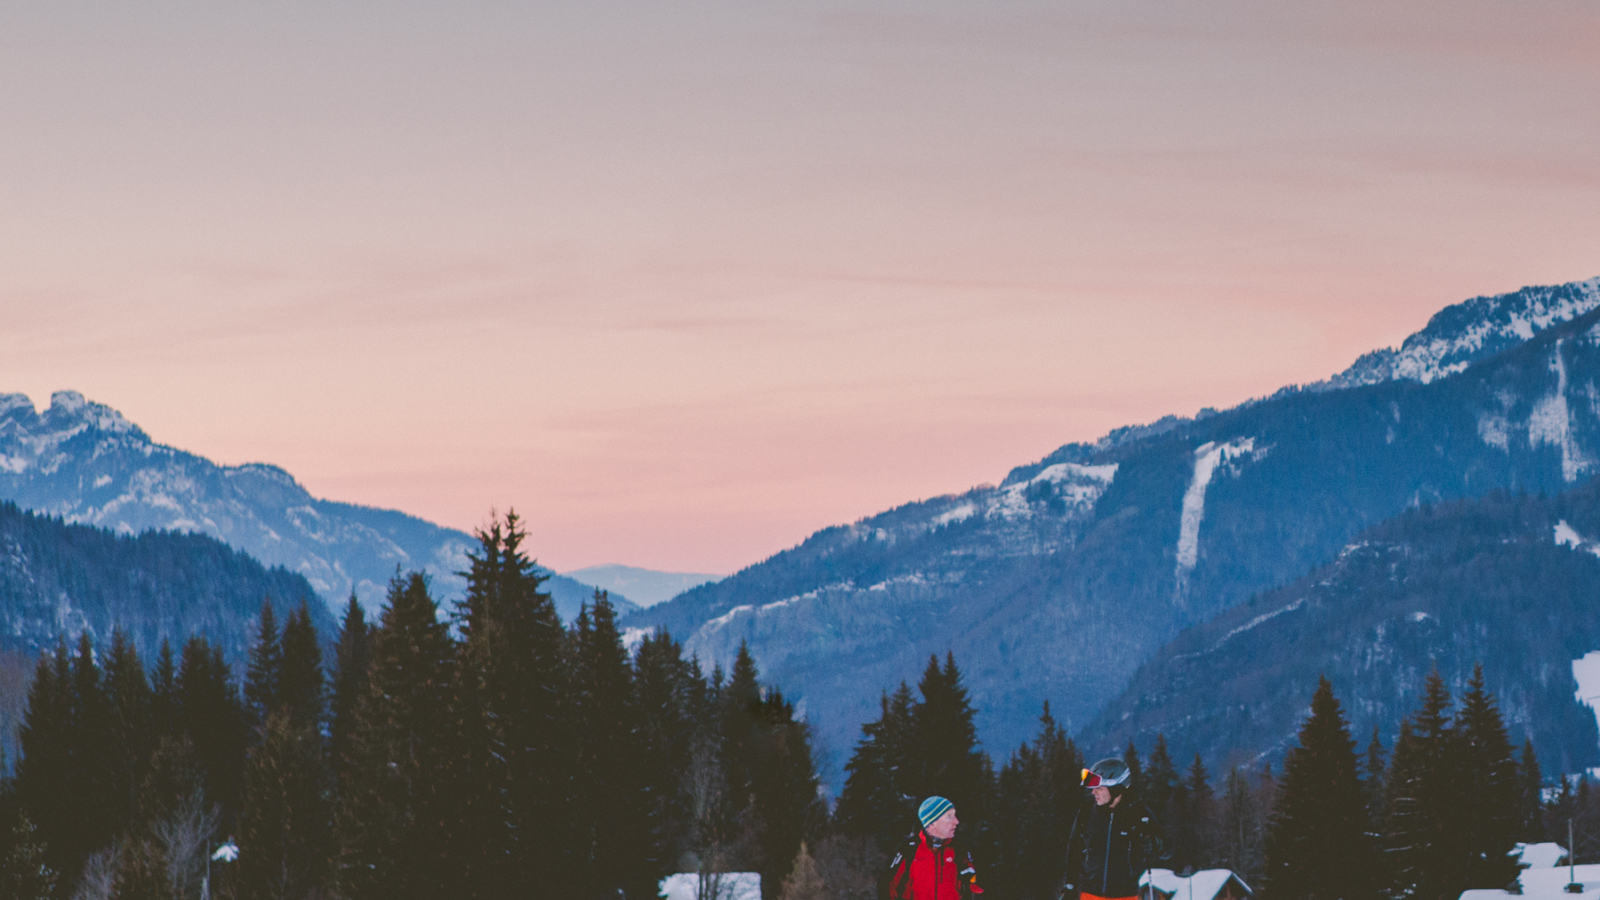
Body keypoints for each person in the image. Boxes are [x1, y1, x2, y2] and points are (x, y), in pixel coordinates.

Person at [1058, 758, 1165, 900]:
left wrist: (1154, 843)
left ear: (1116, 789)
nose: (1093, 792)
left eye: (1099, 788)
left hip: (1125, 896)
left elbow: (1167, 850)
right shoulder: (1087, 812)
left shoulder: (1138, 813)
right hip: (1090, 894)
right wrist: (1070, 886)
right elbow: (1074, 850)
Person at [880, 795, 985, 900]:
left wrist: (977, 878)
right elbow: (887, 886)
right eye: (949, 816)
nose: (956, 821)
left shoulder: (959, 849)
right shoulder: (909, 849)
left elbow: (977, 887)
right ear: (932, 822)